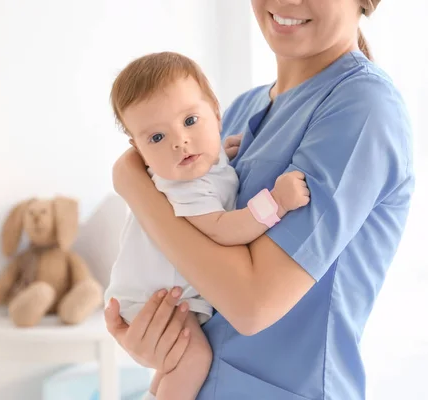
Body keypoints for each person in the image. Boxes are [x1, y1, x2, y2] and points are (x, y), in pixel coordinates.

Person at [105, 0, 415, 399]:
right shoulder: (236, 112)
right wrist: (159, 338)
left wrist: (134, 186)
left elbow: (252, 305)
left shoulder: (363, 108)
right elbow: (198, 281)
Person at [104, 52, 311, 399]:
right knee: (193, 356)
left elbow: (217, 178)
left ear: (216, 110)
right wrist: (276, 203)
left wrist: (223, 154)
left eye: (190, 121)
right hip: (155, 299)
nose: (179, 142)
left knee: (174, 366)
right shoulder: (181, 184)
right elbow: (222, 228)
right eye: (156, 138)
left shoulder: (203, 165)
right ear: (137, 149)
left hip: (162, 295)